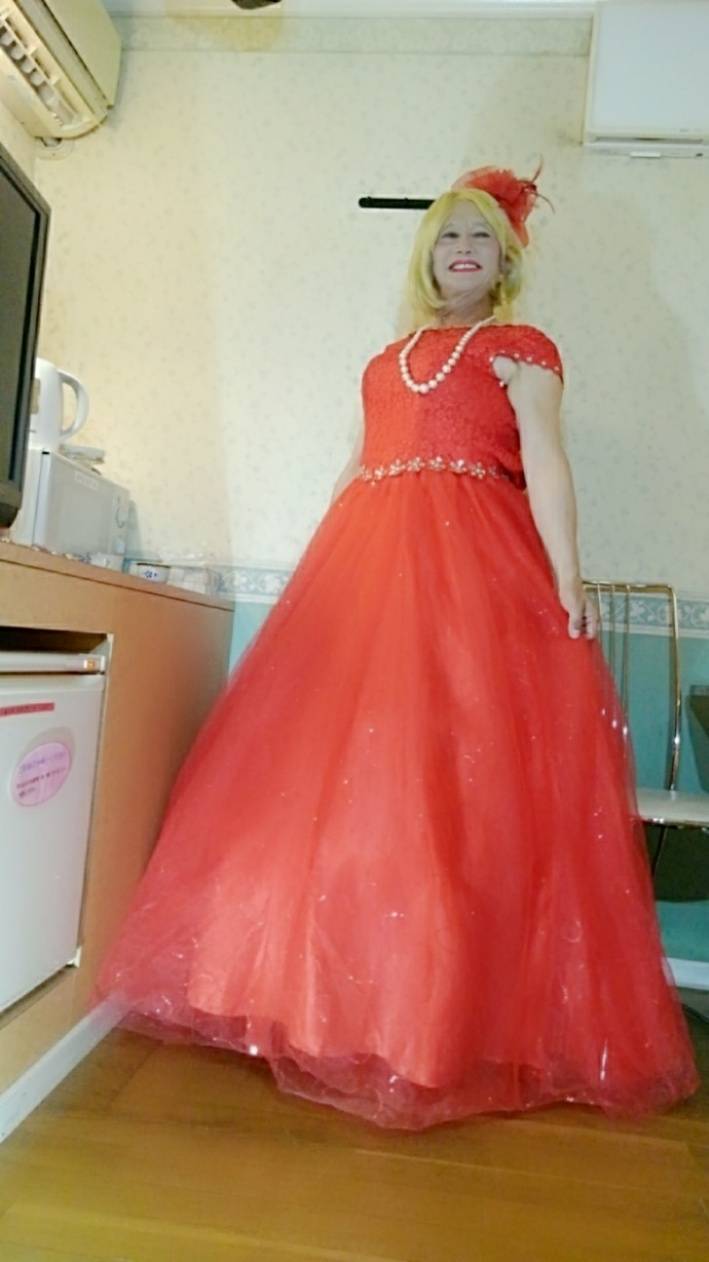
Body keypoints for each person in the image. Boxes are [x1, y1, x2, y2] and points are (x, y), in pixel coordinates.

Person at [92, 164, 699, 1131]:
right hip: (368, 567)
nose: (463, 250)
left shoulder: (519, 350)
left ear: (506, 261)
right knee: (341, 787)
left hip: (475, 580)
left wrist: (568, 578)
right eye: (449, 235)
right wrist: (321, 572)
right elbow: (357, 463)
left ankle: (432, 1024)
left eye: (482, 238)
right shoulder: (389, 358)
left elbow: (546, 463)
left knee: (446, 788)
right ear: (427, 253)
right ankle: (315, 1004)